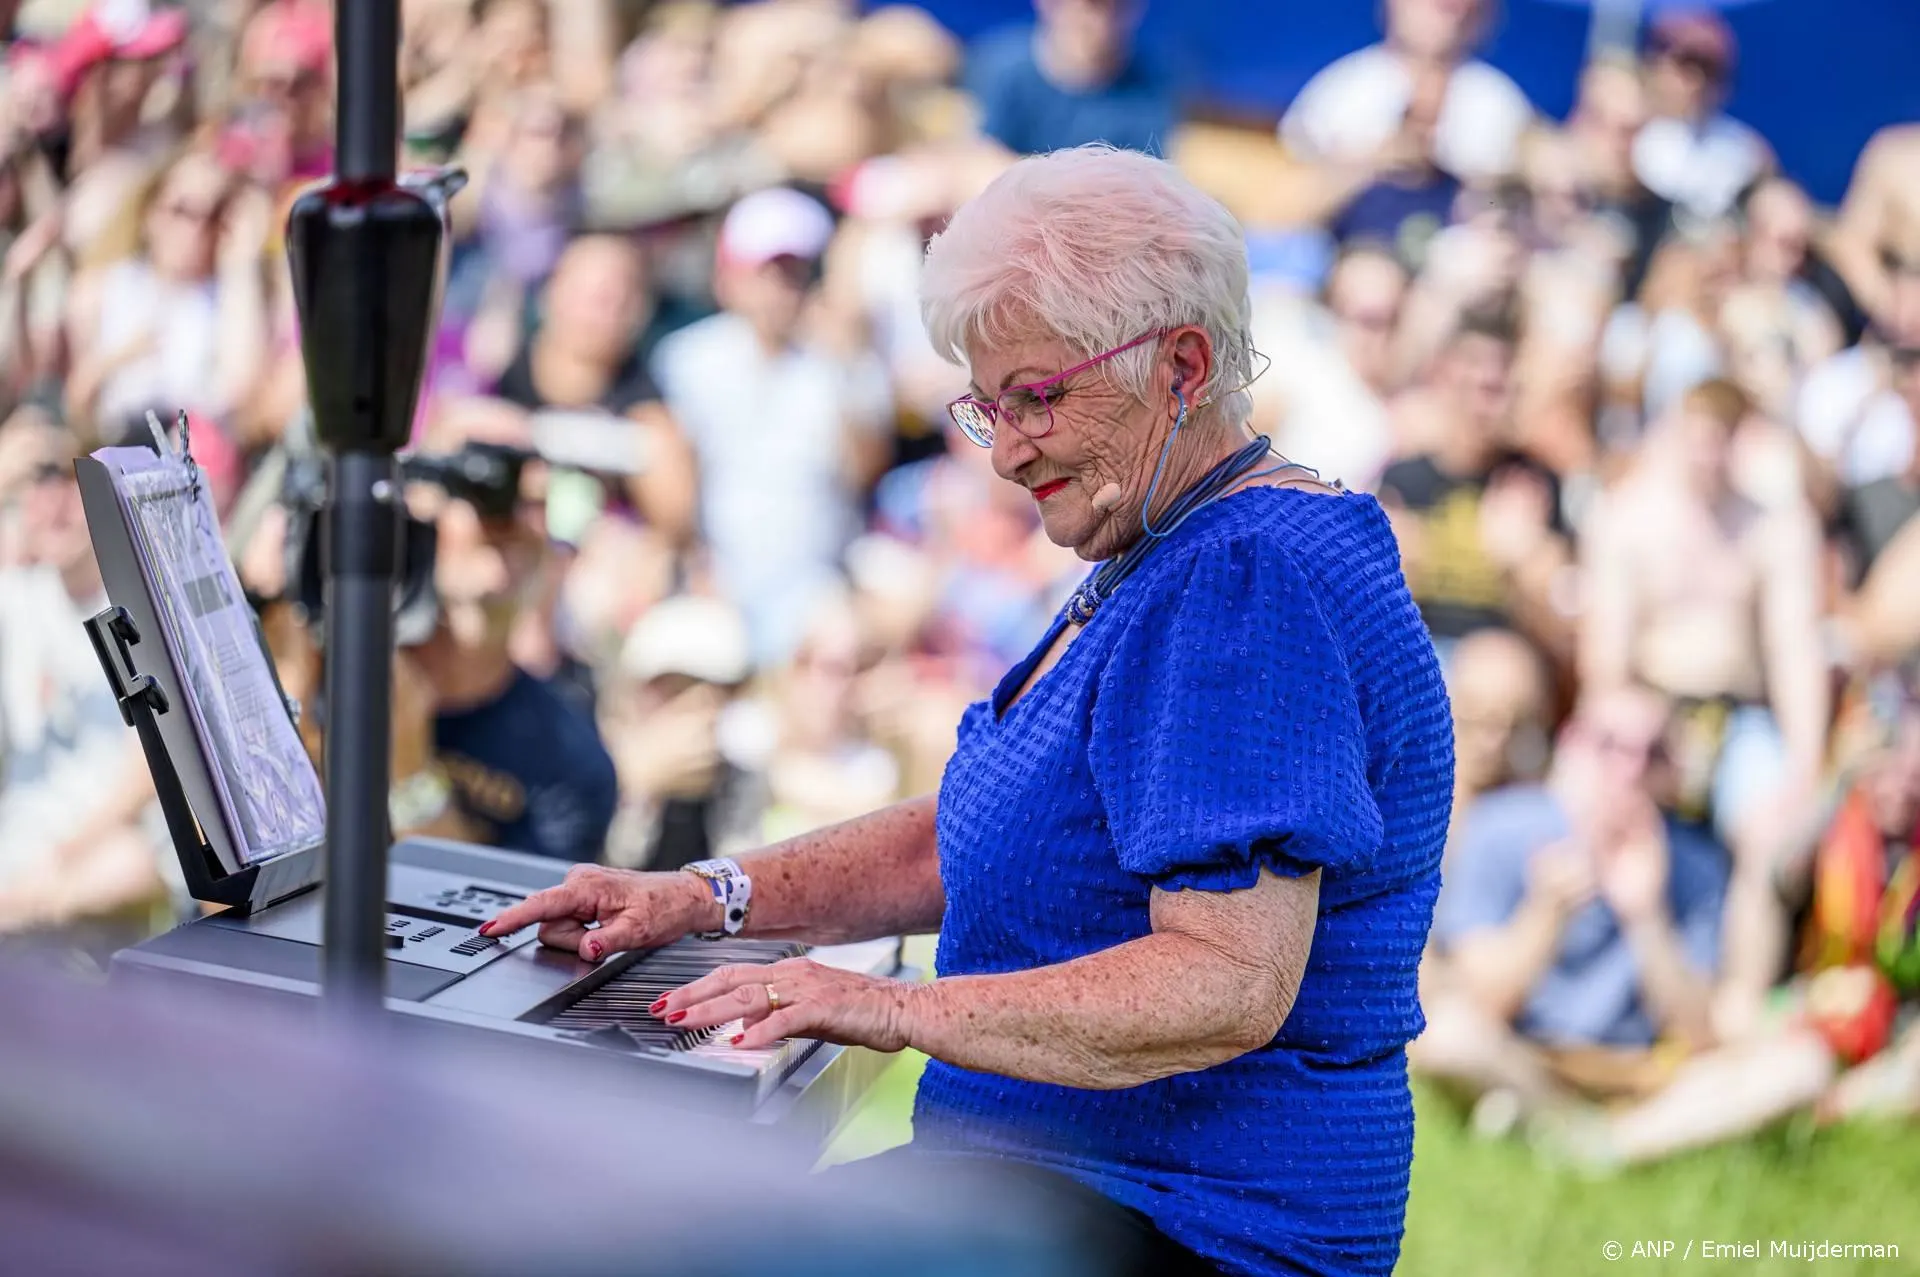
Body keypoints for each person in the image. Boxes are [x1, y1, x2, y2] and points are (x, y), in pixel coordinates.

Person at [483, 145, 1452, 1277]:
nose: (1008, 451)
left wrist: (886, 1006)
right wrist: (702, 896)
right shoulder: (1179, 537)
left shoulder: (1242, 578)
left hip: (1191, 1226)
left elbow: (1225, 982)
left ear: (1183, 364)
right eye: (989, 408)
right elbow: (986, 829)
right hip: (1073, 1193)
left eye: (1037, 397)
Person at [965, 0, 1174, 159]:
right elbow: (980, 164)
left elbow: (1142, 177)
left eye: (1117, 7)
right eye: (1091, 6)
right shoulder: (1001, 68)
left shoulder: (1150, 84)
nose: (1100, 23)